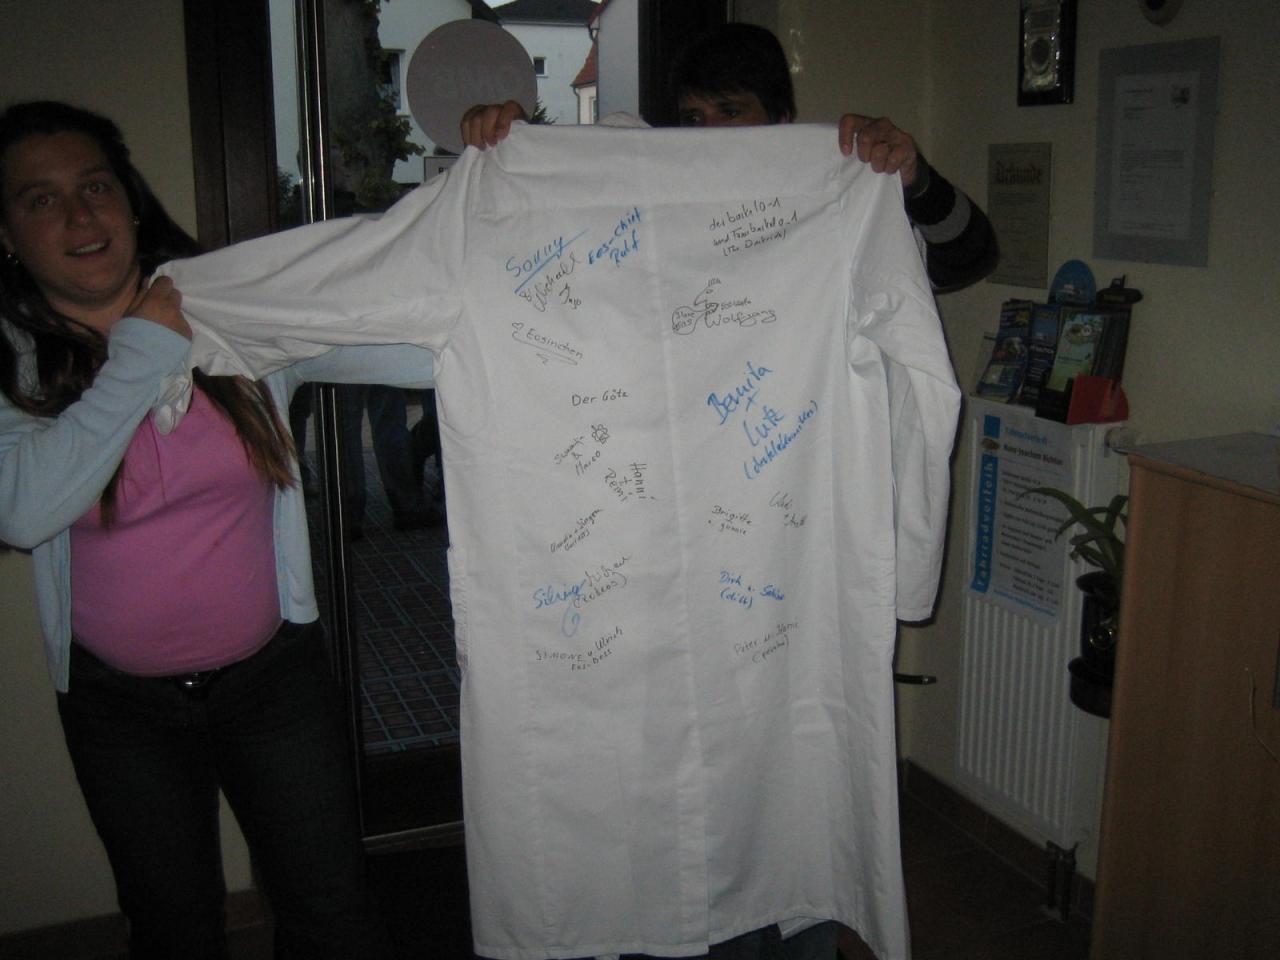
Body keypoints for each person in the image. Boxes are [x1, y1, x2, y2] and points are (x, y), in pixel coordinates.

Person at [0, 100, 432, 959]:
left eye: (96, 186)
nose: (80, 215)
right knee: (173, 927)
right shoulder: (12, 363)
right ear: (7, 236)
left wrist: (488, 179)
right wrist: (142, 354)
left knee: (332, 911)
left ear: (130, 199)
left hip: (274, 682)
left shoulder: (229, 312)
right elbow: (24, 507)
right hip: (119, 707)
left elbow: (401, 336)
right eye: (42, 200)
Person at [463, 22, 998, 295]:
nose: (710, 134)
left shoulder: (828, 207)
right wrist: (519, 155)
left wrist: (914, 181)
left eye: (731, 111)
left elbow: (969, 258)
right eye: (694, 118)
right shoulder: (647, 210)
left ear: (781, 120)